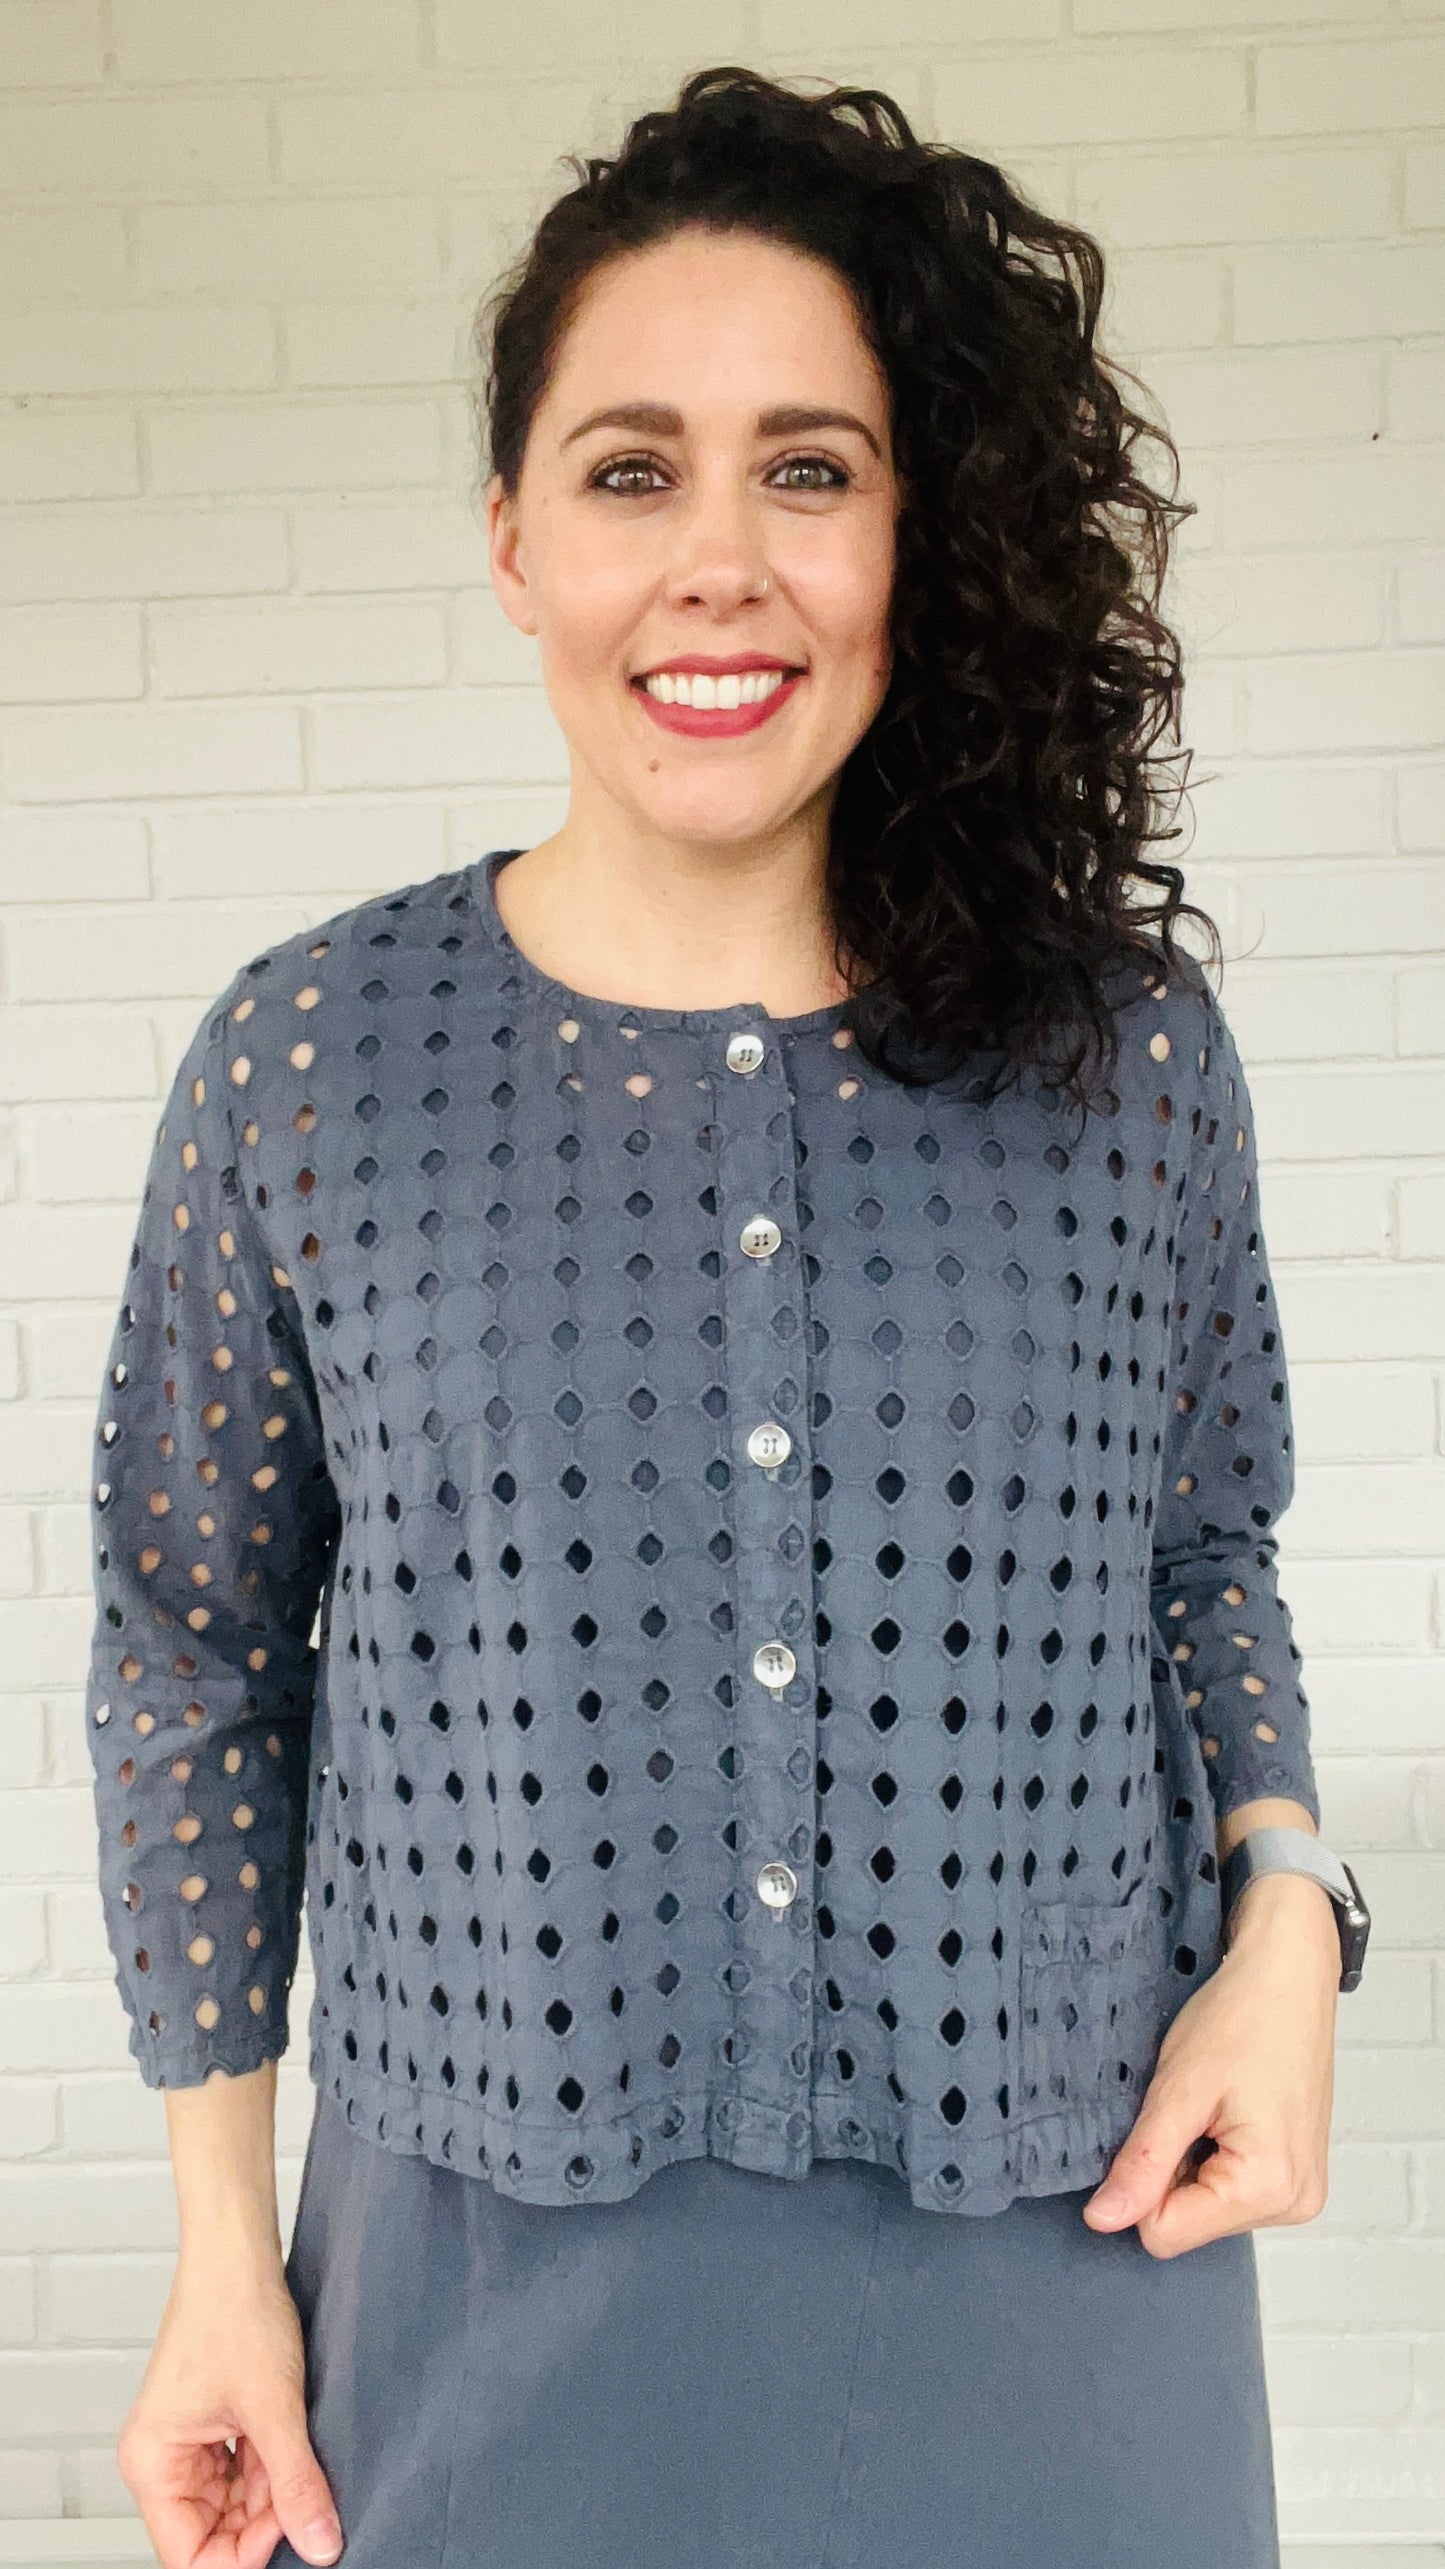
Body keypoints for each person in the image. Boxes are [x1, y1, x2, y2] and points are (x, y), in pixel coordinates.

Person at [82, 66, 1362, 2569]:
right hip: (478, 2298)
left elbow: (1206, 1548)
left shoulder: (1122, 1057)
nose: (720, 564)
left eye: (809, 468)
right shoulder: (310, 1063)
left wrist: (1293, 1914)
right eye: (630, 471)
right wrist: (221, 2258)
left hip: (1076, 2262)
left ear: (916, 526)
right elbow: (192, 1654)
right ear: (512, 537)